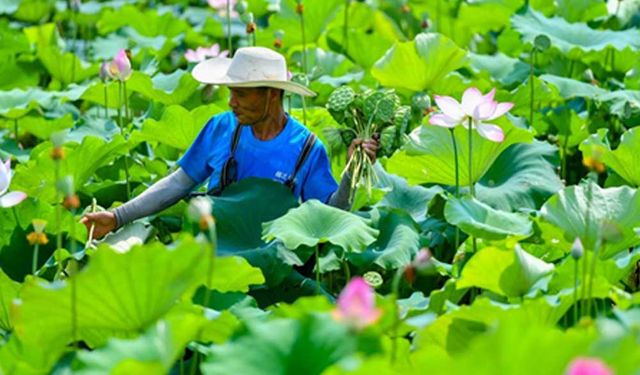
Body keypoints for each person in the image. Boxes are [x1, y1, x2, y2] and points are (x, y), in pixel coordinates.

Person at [82, 47, 379, 239]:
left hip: (273, 262)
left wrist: (353, 172)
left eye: (242, 94)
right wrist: (117, 217)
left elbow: (334, 215)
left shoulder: (307, 148)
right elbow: (177, 184)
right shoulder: (221, 127)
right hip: (211, 247)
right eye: (231, 92)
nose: (231, 102)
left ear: (272, 94)